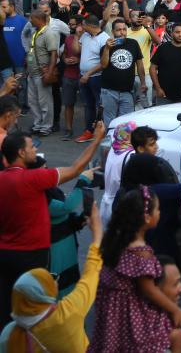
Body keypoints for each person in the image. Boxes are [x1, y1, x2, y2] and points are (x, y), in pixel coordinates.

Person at [0, 124, 107, 328]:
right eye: (31, 147)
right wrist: (96, 140)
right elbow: (75, 169)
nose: (35, 150)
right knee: (35, 309)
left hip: (5, 253)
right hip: (32, 256)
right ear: (21, 153)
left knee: (8, 306)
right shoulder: (33, 178)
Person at [87, 188, 181, 353]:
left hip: (110, 314)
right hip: (128, 315)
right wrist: (174, 309)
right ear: (147, 217)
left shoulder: (117, 241)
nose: (159, 213)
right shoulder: (140, 252)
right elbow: (149, 290)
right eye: (157, 209)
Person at [0, 202, 103, 353]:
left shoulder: (8, 335)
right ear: (43, 297)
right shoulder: (67, 314)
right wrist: (97, 235)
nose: (55, 281)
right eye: (50, 279)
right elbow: (91, 276)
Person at [25, 10, 59, 136]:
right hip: (32, 73)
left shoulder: (48, 33)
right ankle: (37, 125)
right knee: (33, 101)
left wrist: (49, 73)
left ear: (39, 19)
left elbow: (54, 54)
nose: (30, 21)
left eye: (32, 18)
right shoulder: (35, 32)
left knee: (45, 102)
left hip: (42, 73)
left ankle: (45, 127)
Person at [150, 22, 181, 104]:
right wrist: (158, 88)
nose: (180, 35)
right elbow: (152, 68)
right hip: (163, 95)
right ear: (171, 33)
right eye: (177, 32)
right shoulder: (163, 48)